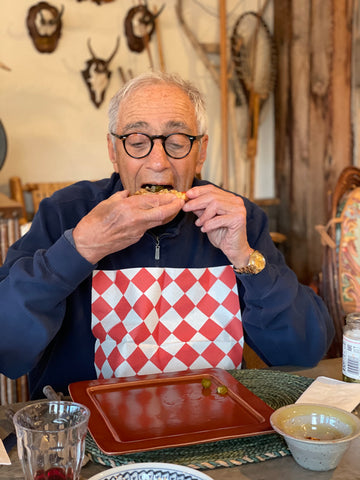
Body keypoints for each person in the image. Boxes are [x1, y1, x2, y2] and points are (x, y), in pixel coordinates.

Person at [0, 71, 334, 399]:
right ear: (113, 151)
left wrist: (245, 259)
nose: (158, 162)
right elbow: (6, 348)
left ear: (200, 152)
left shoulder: (236, 219)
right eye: (137, 142)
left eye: (176, 143)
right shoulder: (65, 214)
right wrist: (78, 250)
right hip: (87, 441)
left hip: (214, 436)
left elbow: (304, 353)